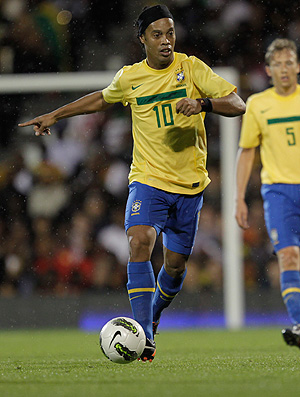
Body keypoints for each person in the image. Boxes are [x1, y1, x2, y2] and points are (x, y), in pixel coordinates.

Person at [19, 4, 246, 361]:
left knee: (175, 266)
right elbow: (100, 99)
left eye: (170, 33)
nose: (166, 41)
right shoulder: (130, 77)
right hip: (148, 180)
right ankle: (144, 337)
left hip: (189, 186)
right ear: (142, 39)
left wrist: (203, 104)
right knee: (139, 242)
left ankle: (150, 319)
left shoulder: (192, 68)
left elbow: (237, 103)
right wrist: (55, 113)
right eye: (157, 34)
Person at [235, 38, 300, 349]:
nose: (284, 69)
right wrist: (238, 198)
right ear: (268, 69)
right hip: (278, 192)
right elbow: (247, 152)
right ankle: (299, 324)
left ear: (298, 66)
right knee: (288, 256)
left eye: (289, 62)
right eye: (278, 64)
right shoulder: (259, 105)